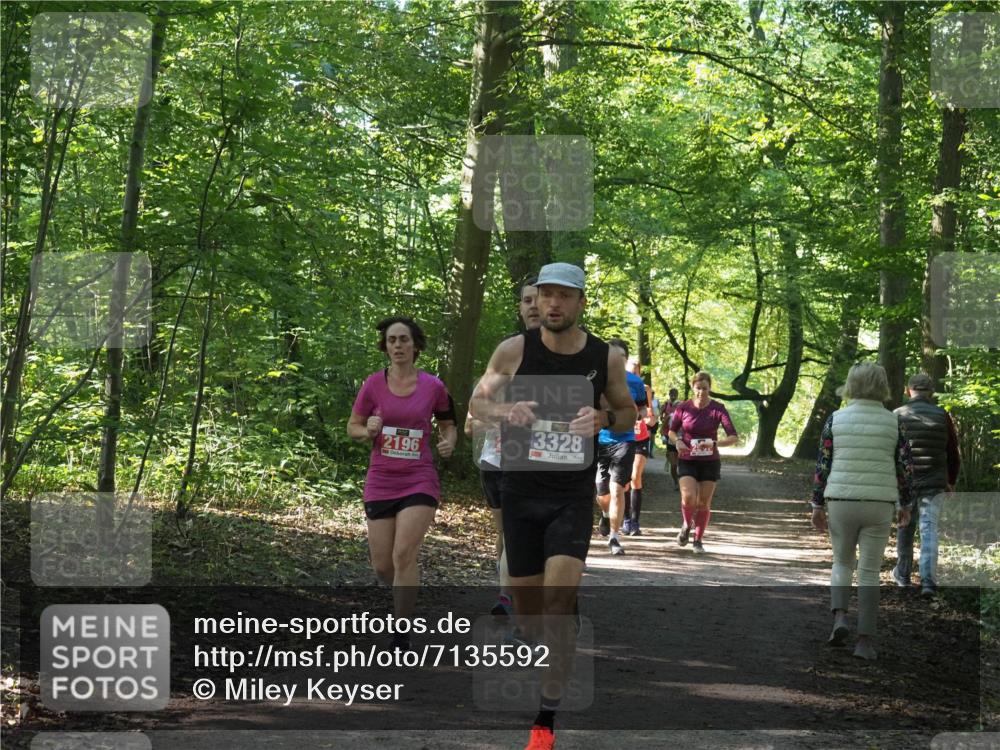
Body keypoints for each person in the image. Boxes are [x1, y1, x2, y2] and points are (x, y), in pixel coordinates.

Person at [469, 262, 636, 750]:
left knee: (559, 605)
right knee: (529, 618)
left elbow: (628, 413)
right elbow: (478, 404)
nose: (554, 304)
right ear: (536, 301)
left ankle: (544, 722)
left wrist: (602, 416)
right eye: (546, 295)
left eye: (565, 296)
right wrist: (506, 410)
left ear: (581, 302)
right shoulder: (515, 350)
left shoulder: (602, 357)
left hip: (569, 496)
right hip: (520, 492)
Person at [347, 317, 457, 650]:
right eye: (392, 340)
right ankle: (403, 598)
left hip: (419, 478)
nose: (397, 345)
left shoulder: (433, 387)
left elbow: (448, 423)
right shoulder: (372, 385)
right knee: (383, 566)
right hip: (381, 479)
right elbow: (353, 426)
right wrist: (367, 431)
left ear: (416, 345)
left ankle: (401, 632)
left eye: (404, 340)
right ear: (386, 346)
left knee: (404, 553)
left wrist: (449, 441)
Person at [810, 362, 914, 661]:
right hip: (879, 502)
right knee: (869, 572)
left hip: (841, 499)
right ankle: (865, 642)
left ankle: (840, 618)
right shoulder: (893, 422)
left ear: (851, 384)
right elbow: (905, 468)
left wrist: (817, 504)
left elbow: (823, 464)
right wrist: (906, 503)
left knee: (842, 562)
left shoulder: (836, 419)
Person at [464, 278, 540, 618]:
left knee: (522, 532)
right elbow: (471, 420)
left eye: (540, 299)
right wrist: (501, 416)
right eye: (527, 300)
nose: (535, 306)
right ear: (520, 308)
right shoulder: (506, 355)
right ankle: (507, 593)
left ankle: (519, 594)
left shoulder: (571, 355)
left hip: (544, 463)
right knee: (507, 533)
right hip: (497, 461)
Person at [892, 372, 961, 597]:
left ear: (908, 390)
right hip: (934, 480)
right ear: (931, 392)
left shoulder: (897, 415)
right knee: (929, 529)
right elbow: (952, 452)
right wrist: (951, 480)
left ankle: (902, 576)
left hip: (905, 481)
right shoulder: (943, 415)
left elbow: (890, 451)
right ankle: (928, 582)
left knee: (905, 525)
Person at [668, 372, 738, 553]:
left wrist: (715, 443)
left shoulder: (718, 408)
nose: (701, 392)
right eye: (698, 388)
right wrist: (678, 441)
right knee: (689, 497)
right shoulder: (683, 407)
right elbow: (671, 431)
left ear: (710, 389)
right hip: (687, 459)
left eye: (705, 388)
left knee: (703, 503)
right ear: (693, 387)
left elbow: (733, 437)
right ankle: (686, 524)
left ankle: (698, 541)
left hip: (710, 461)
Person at [595, 339, 647, 553]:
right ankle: (606, 515)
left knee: (617, 489)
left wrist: (638, 416)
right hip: (599, 440)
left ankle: (615, 538)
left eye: (620, 357)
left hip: (625, 441)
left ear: (625, 360)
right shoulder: (596, 378)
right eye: (611, 356)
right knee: (602, 492)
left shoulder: (635, 382)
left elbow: (643, 409)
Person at [623, 356, 656, 536]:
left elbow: (651, 414)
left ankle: (635, 521)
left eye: (637, 370)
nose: (634, 372)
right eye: (631, 369)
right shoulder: (617, 385)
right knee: (625, 480)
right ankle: (626, 519)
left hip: (640, 437)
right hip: (621, 436)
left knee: (635, 475)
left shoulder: (645, 389)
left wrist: (650, 419)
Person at [660, 388, 681, 489]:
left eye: (674, 394)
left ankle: (683, 480)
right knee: (673, 465)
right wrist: (663, 436)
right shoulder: (669, 413)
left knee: (681, 465)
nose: (673, 395)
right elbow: (662, 424)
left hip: (682, 441)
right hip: (670, 439)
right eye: (671, 394)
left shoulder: (684, 412)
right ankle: (676, 482)